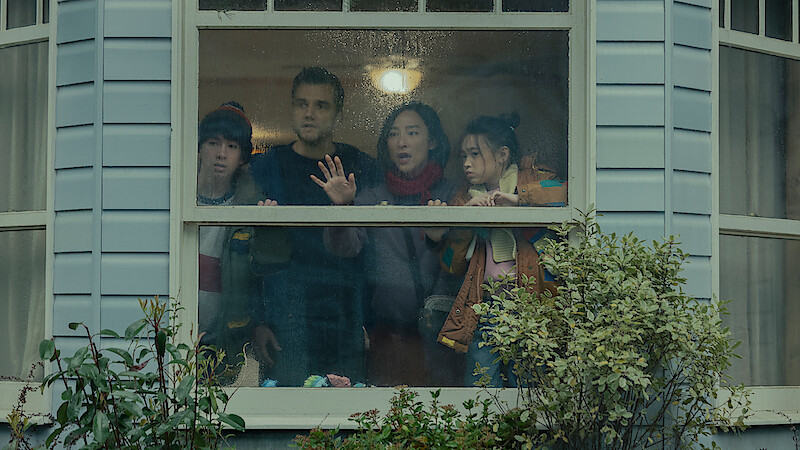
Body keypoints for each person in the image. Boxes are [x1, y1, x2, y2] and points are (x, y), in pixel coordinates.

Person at [315, 101, 463, 386]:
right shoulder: (373, 197)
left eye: (412, 132)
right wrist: (342, 209)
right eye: (393, 134)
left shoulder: (453, 194)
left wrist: (442, 238)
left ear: (432, 141)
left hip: (446, 336)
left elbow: (470, 259)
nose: (401, 142)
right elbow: (344, 247)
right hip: (390, 338)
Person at [248, 67, 380, 386]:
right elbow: (245, 251)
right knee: (290, 402)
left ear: (338, 114)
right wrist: (258, 321)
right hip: (286, 310)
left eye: (321, 105)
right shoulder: (266, 167)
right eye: (301, 103)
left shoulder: (360, 167)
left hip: (345, 308)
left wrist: (372, 320)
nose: (309, 113)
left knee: (350, 403)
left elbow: (376, 250)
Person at [427, 113, 567, 387]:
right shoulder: (464, 197)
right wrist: (463, 220)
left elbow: (563, 192)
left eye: (475, 154)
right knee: (482, 382)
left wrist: (518, 200)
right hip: (484, 306)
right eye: (463, 156)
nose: (466, 163)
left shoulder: (532, 179)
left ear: (502, 155)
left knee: (527, 384)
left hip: (531, 305)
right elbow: (450, 264)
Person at [196, 101, 264, 384]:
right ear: (199, 148)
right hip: (172, 336)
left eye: (232, 146)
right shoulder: (178, 198)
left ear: (243, 157)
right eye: (213, 142)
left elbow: (259, 283)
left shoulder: (250, 209)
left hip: (225, 346)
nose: (221, 154)